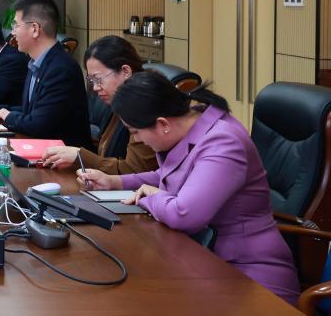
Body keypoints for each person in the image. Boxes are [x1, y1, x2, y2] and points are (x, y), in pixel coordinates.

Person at [77, 72, 299, 305]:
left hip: (249, 275)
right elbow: (170, 175)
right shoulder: (193, 126)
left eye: (135, 132)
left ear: (163, 124)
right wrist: (115, 182)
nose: (138, 140)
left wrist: (149, 197)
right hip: (204, 259)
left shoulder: (223, 143)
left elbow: (184, 214)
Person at [0, 0, 92, 148]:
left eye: (16, 25)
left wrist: (7, 115)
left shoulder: (60, 68)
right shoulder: (36, 62)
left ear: (34, 29)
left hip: (63, 158)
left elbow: (39, 124)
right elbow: (29, 110)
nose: (12, 33)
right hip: (40, 149)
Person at [41, 35, 158, 174]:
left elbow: (134, 170)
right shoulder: (120, 101)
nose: (96, 88)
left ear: (125, 71)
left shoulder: (145, 104)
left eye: (98, 79)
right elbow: (105, 150)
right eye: (92, 81)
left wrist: (80, 156)